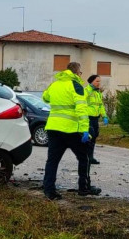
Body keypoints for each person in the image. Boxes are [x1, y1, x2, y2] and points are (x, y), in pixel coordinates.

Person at [41, 62, 101, 199]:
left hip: (53, 128)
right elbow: (81, 109)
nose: (81, 75)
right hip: (71, 130)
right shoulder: (76, 86)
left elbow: (45, 97)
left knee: (52, 161)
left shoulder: (54, 84)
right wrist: (85, 130)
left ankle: (49, 191)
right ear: (76, 72)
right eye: (80, 73)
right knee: (84, 158)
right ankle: (83, 188)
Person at [84, 74, 109, 165]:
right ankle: (85, 157)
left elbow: (100, 105)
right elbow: (81, 104)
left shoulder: (97, 92)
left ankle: (90, 157)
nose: (99, 83)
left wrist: (104, 116)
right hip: (87, 118)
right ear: (91, 82)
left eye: (99, 81)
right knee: (90, 136)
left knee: (94, 137)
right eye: (97, 81)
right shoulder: (87, 91)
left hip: (95, 118)